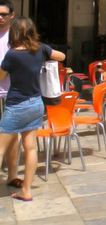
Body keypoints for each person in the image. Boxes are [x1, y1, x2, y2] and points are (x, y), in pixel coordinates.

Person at [0, 17, 66, 201]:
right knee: (30, 149)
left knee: (0, 149)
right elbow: (61, 56)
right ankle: (26, 191)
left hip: (16, 105)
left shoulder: (12, 55)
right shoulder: (41, 49)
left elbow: (0, 76)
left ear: (14, 33)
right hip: (36, 103)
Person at [0, 0, 21, 188]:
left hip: (11, 93)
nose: (0, 17)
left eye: (3, 14)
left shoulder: (16, 36)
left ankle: (12, 175)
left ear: (11, 16)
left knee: (12, 135)